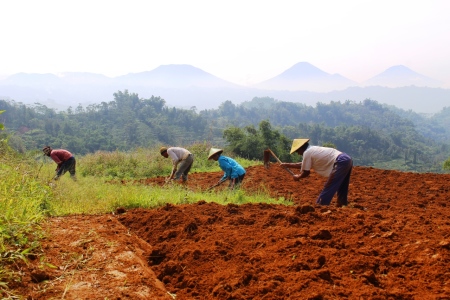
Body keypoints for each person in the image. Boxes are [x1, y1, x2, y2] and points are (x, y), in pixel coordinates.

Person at [280, 139, 353, 206]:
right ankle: (342, 204)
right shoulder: (312, 149)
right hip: (346, 159)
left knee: (329, 184)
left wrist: (298, 177)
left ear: (301, 148)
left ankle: (320, 206)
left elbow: (306, 172)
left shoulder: (307, 152)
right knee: (342, 184)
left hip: (340, 161)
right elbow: (304, 164)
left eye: (297, 151)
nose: (298, 154)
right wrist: (287, 165)